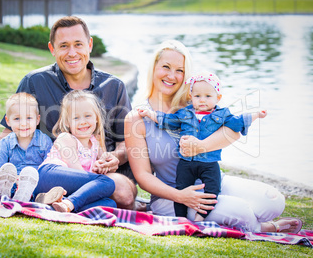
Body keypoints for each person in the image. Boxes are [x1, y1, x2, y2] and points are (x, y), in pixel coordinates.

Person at [0, 16, 137, 210]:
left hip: (100, 171)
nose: (72, 53)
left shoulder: (114, 86)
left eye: (78, 44)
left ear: (89, 45)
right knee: (110, 192)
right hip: (56, 173)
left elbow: (125, 144)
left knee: (124, 195)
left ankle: (56, 201)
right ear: (52, 49)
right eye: (64, 46)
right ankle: (61, 197)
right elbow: (8, 134)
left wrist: (114, 156)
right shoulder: (35, 82)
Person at [124, 40, 302, 233]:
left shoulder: (198, 101)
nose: (171, 76)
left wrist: (201, 146)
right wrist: (181, 196)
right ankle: (264, 227)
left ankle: (236, 215)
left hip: (212, 181)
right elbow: (142, 176)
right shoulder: (137, 117)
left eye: (180, 70)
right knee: (242, 212)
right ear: (153, 68)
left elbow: (233, 130)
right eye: (165, 67)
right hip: (172, 197)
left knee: (273, 200)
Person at [137, 71, 267, 221]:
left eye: (208, 96)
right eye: (197, 96)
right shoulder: (185, 113)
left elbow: (236, 123)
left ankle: (201, 215)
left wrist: (256, 115)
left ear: (218, 98)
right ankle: (181, 218)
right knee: (182, 187)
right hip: (186, 163)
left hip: (209, 162)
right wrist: (150, 114)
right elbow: (168, 120)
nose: (202, 100)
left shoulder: (222, 114)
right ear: (191, 97)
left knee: (213, 189)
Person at [35, 90, 117, 212]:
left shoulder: (95, 142)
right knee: (108, 183)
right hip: (49, 175)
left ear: (96, 118)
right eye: (76, 118)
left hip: (67, 189)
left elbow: (102, 165)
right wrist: (96, 177)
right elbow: (77, 170)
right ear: (68, 122)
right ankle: (68, 203)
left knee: (110, 204)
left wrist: (104, 164)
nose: (83, 121)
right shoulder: (66, 138)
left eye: (87, 116)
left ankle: (54, 205)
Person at [0, 93, 53, 202]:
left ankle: (24, 196)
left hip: (34, 184)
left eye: (29, 118)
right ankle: (4, 193)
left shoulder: (44, 141)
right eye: (17, 119)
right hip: (12, 182)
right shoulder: (5, 142)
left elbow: (47, 171)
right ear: (8, 121)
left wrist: (28, 180)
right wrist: (14, 178)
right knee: (5, 177)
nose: (23, 124)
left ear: (37, 120)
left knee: (33, 183)